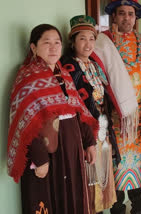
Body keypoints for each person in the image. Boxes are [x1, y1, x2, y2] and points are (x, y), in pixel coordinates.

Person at [7, 24, 98, 214]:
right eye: (46, 43)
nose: (53, 47)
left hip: (71, 151)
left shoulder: (64, 74)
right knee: (49, 200)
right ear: (33, 47)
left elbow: (78, 111)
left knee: (72, 200)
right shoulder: (27, 78)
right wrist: (40, 159)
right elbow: (26, 123)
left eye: (57, 43)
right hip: (47, 156)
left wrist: (90, 142)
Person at [91, 0, 141, 213]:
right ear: (114, 17)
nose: (127, 18)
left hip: (139, 119)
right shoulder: (103, 41)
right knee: (116, 165)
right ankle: (117, 207)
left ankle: (138, 206)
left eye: (130, 14)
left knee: (137, 164)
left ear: (136, 18)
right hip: (114, 118)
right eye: (122, 13)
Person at [61, 15, 118, 213]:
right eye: (82, 38)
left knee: (101, 179)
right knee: (88, 179)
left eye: (92, 38)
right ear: (73, 41)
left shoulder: (95, 66)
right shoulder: (68, 68)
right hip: (84, 130)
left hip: (102, 128)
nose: (88, 44)